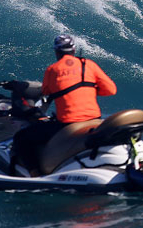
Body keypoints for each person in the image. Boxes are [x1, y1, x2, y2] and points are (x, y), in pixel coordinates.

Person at [10, 34, 117, 175]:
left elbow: (46, 91)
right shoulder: (89, 64)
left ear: (56, 52)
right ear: (73, 50)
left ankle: (34, 174)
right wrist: (87, 90)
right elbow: (111, 90)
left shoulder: (52, 70)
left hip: (68, 125)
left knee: (21, 138)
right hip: (95, 120)